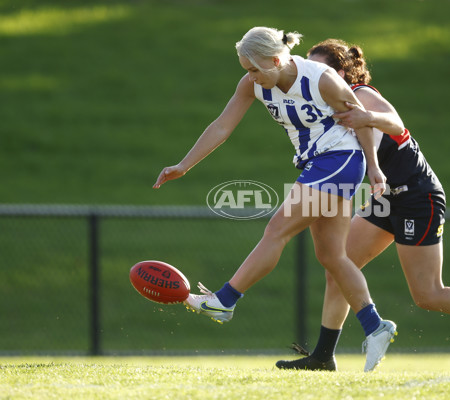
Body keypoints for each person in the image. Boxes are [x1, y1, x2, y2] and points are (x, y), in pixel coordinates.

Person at [275, 39, 450, 372]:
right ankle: (323, 356)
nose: (313, 74)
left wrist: (365, 117)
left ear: (341, 73)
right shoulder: (325, 104)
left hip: (418, 196)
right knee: (338, 266)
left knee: (428, 294)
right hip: (386, 197)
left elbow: (397, 126)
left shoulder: (361, 94)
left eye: (322, 68)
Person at [152, 27, 397, 372]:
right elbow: (222, 126)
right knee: (332, 256)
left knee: (276, 230)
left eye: (254, 69)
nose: (249, 76)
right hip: (320, 163)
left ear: (278, 59)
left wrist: (374, 167)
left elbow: (364, 121)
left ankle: (225, 300)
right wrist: (184, 165)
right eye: (245, 69)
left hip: (339, 159)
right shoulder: (253, 83)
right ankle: (376, 326)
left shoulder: (321, 79)